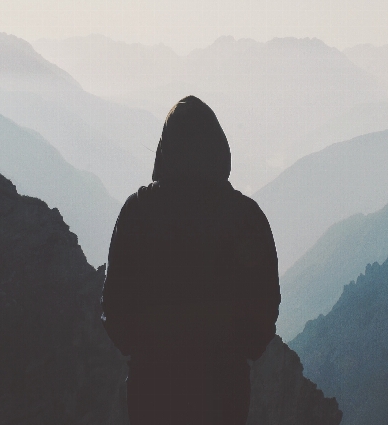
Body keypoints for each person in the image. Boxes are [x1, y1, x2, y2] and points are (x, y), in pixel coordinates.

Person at [102, 96, 280, 425]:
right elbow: (264, 310)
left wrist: (147, 352)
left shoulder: (137, 214)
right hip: (224, 394)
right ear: (219, 151)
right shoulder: (246, 219)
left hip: (152, 391)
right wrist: (234, 353)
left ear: (164, 149)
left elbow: (115, 309)